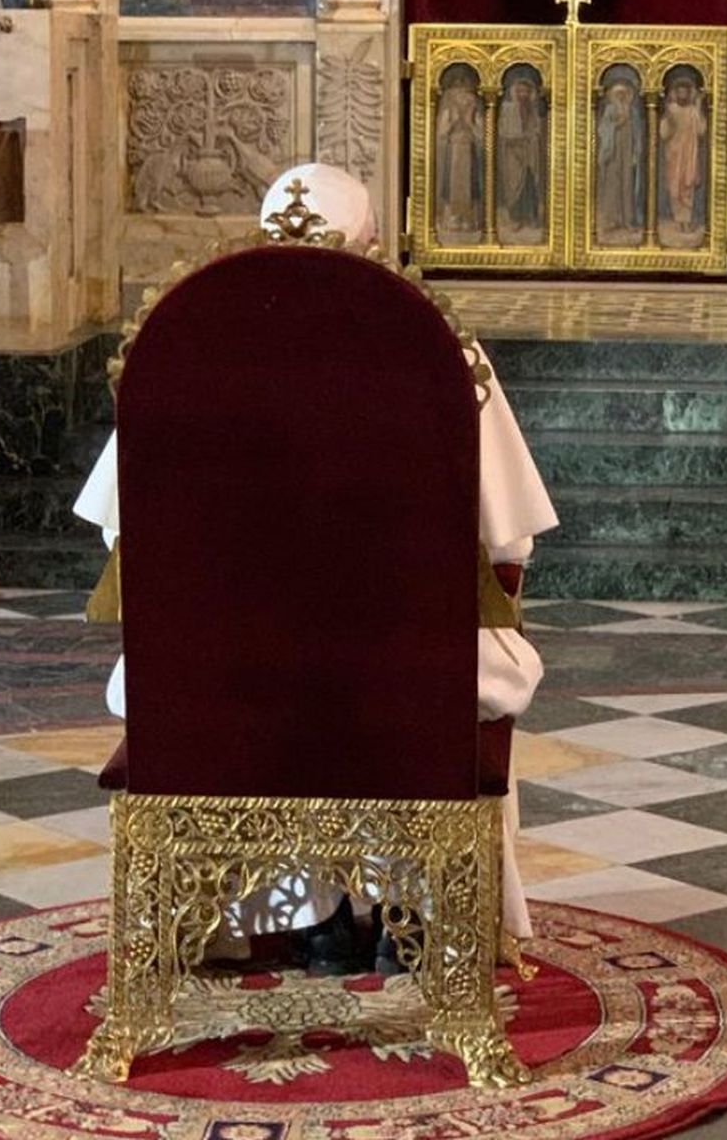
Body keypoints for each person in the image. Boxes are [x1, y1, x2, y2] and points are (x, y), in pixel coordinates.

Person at [74, 162, 558, 969]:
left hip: (227, 683)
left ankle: (304, 918)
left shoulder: (188, 351)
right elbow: (508, 542)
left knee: (256, 666)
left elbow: (121, 534)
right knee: (442, 665)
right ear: (373, 248)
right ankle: (417, 910)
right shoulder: (441, 354)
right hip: (403, 679)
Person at [659, 73, 707, 236]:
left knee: (687, 186)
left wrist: (699, 107)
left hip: (689, 155)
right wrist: (669, 120)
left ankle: (686, 221)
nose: (682, 94)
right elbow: (663, 133)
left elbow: (701, 131)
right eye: (679, 91)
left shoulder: (693, 111)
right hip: (674, 154)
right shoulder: (672, 110)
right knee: (675, 188)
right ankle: (678, 220)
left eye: (685, 92)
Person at [497, 76, 544, 237]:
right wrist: (516, 139)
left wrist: (531, 137)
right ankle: (516, 218)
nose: (523, 94)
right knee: (514, 184)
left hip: (529, 153)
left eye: (526, 91)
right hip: (513, 153)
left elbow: (536, 129)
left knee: (530, 183)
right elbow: (503, 131)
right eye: (520, 91)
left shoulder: (532, 109)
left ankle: (530, 217)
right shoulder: (508, 108)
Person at [435, 75, 482, 234]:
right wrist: (453, 121)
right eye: (459, 97)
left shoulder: (473, 110)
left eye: (466, 98)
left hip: (469, 148)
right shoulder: (450, 110)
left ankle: (469, 219)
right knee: (451, 185)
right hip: (453, 149)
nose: (464, 101)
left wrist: (469, 122)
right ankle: (453, 217)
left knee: (471, 184)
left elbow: (482, 135)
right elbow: (441, 133)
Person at [596, 77, 642, 238]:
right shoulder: (610, 110)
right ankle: (611, 220)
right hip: (613, 153)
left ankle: (628, 221)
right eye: (618, 94)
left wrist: (636, 152)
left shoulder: (633, 112)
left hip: (627, 152)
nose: (621, 97)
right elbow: (602, 129)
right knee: (612, 185)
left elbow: (637, 134)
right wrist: (616, 125)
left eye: (624, 94)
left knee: (627, 185)